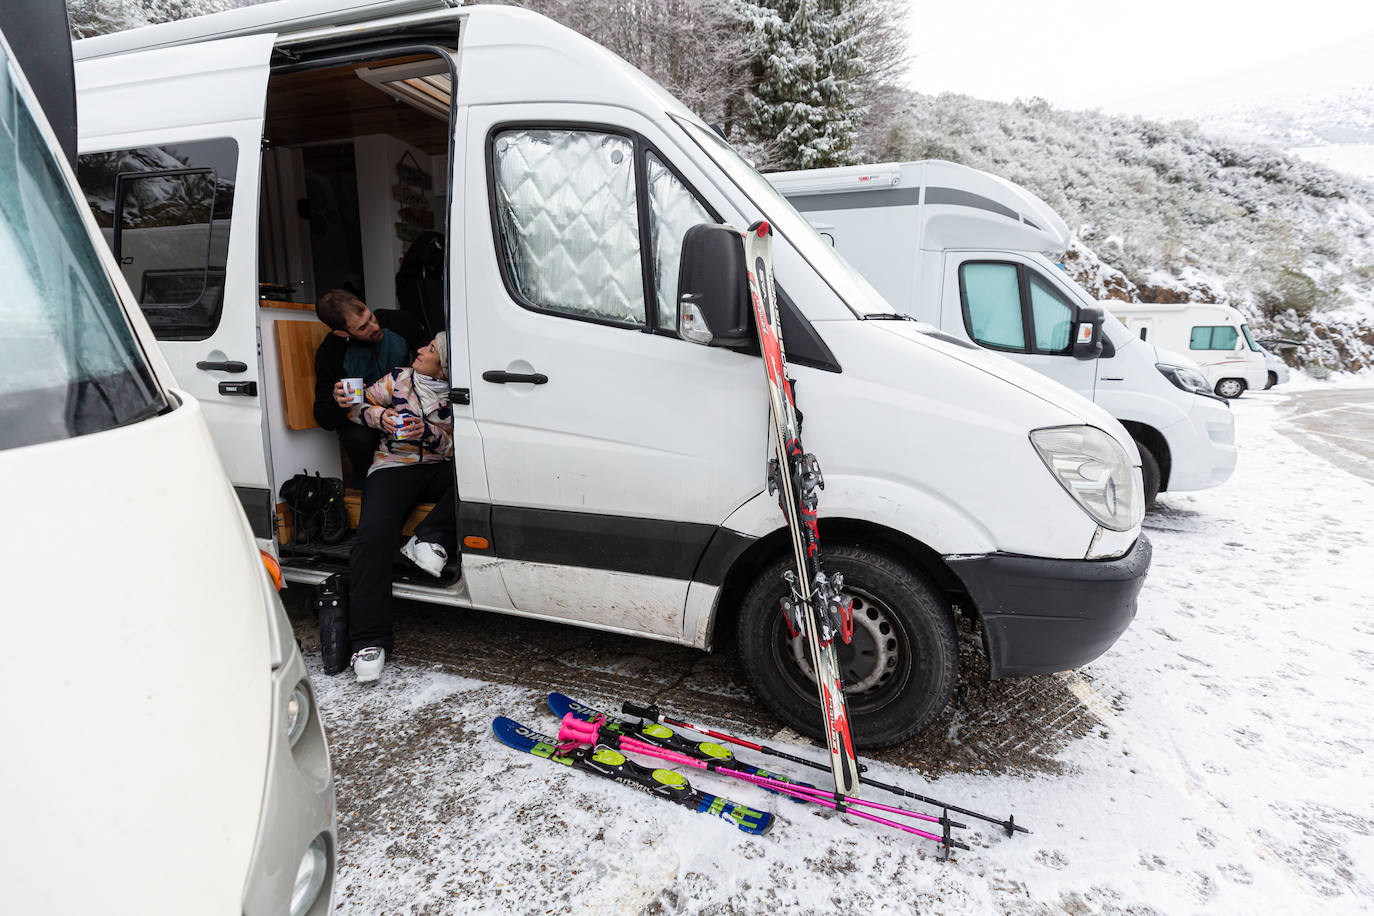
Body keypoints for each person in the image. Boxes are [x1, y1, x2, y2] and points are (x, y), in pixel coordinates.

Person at [335, 333, 457, 684]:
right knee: (372, 538)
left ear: (445, 366)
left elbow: (460, 447)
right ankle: (369, 640)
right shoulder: (398, 379)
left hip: (443, 465)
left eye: (431, 350)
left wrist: (429, 434)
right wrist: (382, 418)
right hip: (395, 464)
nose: (420, 349)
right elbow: (357, 408)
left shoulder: (462, 395)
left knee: (477, 483)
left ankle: (429, 538)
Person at [313, 289, 428, 482]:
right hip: (365, 418)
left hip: (410, 405)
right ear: (341, 333)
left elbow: (433, 359)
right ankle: (371, 482)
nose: (374, 327)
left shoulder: (399, 321)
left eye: (371, 317)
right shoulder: (331, 352)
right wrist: (337, 400)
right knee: (356, 438)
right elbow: (323, 418)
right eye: (362, 328)